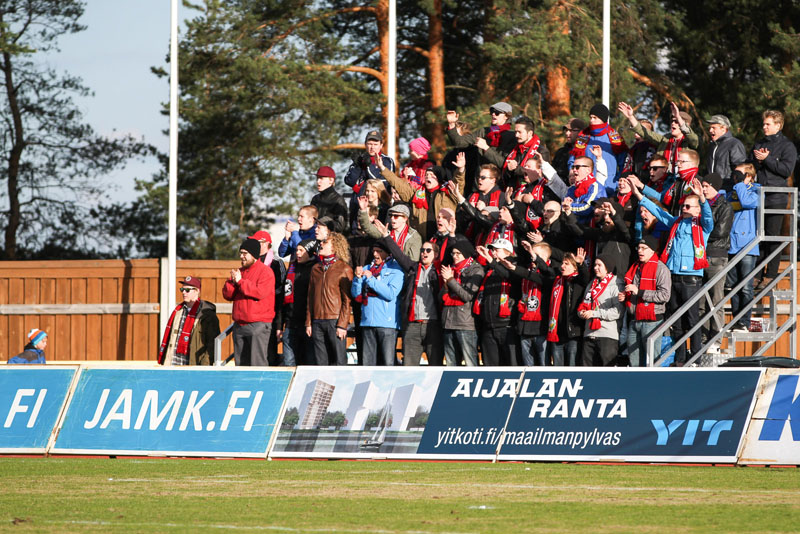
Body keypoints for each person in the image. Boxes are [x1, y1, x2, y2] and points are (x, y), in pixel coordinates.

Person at [632, 176, 713, 366]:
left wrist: (702, 198)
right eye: (683, 206)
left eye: (688, 206)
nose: (683, 208)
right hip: (673, 276)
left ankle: (696, 357)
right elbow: (659, 213)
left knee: (692, 319)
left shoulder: (703, 226)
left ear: (697, 209)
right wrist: (638, 195)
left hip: (691, 278)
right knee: (676, 321)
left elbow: (709, 217)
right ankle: (680, 357)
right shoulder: (675, 223)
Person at [379, 232, 444, 366]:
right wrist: (386, 236)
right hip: (413, 324)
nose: (424, 253)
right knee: (409, 367)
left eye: (428, 250)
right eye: (422, 250)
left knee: (435, 367)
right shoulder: (414, 268)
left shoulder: (439, 271)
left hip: (433, 325)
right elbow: (399, 255)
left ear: (436, 254)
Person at [750, 110, 797, 290]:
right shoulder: (759, 143)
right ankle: (757, 274)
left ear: (778, 125)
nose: (764, 127)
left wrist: (767, 159)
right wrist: (757, 162)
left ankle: (770, 275)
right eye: (763, 124)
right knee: (758, 237)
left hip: (776, 197)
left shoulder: (787, 146)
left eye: (768, 124)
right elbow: (751, 165)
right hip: (758, 196)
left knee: (772, 236)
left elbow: (786, 170)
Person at [375, 151, 465, 241]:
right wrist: (382, 168)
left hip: (445, 238)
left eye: (431, 175)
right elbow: (398, 183)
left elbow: (459, 183)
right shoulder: (417, 193)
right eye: (426, 175)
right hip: (422, 240)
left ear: (439, 178)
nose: (427, 177)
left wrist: (460, 170)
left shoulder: (448, 193)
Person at [222, 238, 276, 366]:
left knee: (257, 364)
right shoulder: (239, 272)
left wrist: (240, 282)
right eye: (240, 253)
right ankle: (244, 386)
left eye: (245, 253)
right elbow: (227, 295)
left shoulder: (265, 272)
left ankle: (260, 387)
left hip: (258, 325)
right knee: (241, 364)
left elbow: (259, 292)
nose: (241, 256)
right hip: (240, 325)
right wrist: (232, 282)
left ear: (254, 254)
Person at [621, 235, 672, 367]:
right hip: (634, 320)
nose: (640, 251)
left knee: (652, 362)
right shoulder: (635, 267)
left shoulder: (661, 269)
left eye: (644, 248)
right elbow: (633, 291)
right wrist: (625, 296)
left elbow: (665, 295)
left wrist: (640, 292)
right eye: (639, 248)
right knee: (634, 363)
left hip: (652, 322)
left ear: (653, 251)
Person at [352, 242, 404, 366]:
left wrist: (371, 280)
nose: (375, 254)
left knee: (387, 363)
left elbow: (391, 293)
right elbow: (356, 295)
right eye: (374, 250)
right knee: (368, 364)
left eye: (379, 251)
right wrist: (357, 279)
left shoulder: (396, 270)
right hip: (367, 321)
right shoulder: (366, 268)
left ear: (388, 252)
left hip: (387, 324)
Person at [306, 232, 354, 365]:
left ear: (334, 247)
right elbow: (310, 297)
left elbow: (347, 300)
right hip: (317, 322)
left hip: (335, 321)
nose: (321, 244)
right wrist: (309, 322)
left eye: (325, 242)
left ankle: (341, 386)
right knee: (321, 363)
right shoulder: (315, 269)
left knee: (339, 362)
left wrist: (343, 325)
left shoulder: (344, 269)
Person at [474, 238, 521, 366]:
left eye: (496, 250)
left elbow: (508, 275)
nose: (493, 253)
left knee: (512, 366)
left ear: (507, 252)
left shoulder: (515, 267)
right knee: (491, 368)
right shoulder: (490, 271)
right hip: (489, 326)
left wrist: (490, 260)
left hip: (507, 326)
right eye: (492, 250)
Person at [698, 173, 733, 345]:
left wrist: (700, 235)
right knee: (701, 301)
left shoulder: (725, 206)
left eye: (707, 186)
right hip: (701, 256)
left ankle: (716, 339)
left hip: (716, 256)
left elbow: (721, 231)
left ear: (715, 187)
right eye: (702, 186)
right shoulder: (699, 204)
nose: (703, 189)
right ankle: (703, 338)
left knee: (716, 299)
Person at [618, 101, 699, 174]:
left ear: (686, 125)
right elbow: (646, 134)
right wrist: (631, 117)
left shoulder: (689, 142)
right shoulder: (665, 139)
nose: (673, 124)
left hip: (681, 180)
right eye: (672, 121)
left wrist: (679, 117)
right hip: (663, 181)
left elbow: (693, 138)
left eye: (676, 121)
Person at [726, 163, 761, 332]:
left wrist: (740, 184)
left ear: (749, 176)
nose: (735, 177)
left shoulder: (757, 191)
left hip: (747, 246)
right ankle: (736, 320)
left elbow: (747, 203)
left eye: (740, 175)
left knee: (746, 287)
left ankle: (744, 322)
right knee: (733, 286)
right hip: (732, 245)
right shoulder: (731, 193)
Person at [157, 276, 220, 366]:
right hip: (174, 363)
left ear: (197, 291)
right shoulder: (178, 311)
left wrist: (204, 365)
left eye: (187, 290)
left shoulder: (207, 315)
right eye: (182, 289)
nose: (183, 292)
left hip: (193, 364)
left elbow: (212, 344)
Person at [440, 238, 484, 366]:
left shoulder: (476, 270)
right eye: (453, 253)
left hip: (465, 323)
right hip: (448, 322)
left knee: (470, 362)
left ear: (465, 253)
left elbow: (466, 296)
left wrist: (450, 280)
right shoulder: (451, 269)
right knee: (451, 363)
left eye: (458, 253)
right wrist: (446, 283)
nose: (454, 256)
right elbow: (441, 297)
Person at [567, 103, 628, 195]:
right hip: (585, 187)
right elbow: (573, 160)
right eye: (590, 117)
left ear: (603, 119)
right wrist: (573, 173)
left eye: (595, 118)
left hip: (608, 187)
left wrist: (615, 184)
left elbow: (623, 163)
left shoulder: (614, 137)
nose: (591, 120)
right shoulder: (583, 136)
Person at [447, 102, 517, 178]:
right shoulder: (483, 131)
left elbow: (504, 163)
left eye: (497, 113)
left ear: (506, 116)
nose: (493, 114)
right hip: (480, 181)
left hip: (500, 183)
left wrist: (486, 148)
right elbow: (459, 142)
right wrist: (451, 124)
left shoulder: (513, 136)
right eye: (492, 112)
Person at [344, 129, 396, 229]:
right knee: (355, 233)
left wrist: (369, 166)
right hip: (358, 203)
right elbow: (349, 181)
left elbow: (382, 182)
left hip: (379, 207)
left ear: (381, 145)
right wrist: (358, 165)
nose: (372, 147)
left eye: (375, 144)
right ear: (365, 145)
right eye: (369, 143)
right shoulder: (361, 159)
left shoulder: (387, 161)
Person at [546, 249, 590, 366]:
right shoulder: (557, 281)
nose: (562, 266)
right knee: (557, 369)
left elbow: (585, 276)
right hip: (557, 333)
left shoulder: (578, 282)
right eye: (562, 263)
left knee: (572, 368)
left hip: (573, 333)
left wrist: (581, 264)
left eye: (566, 264)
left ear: (574, 268)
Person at [578, 253, 623, 366]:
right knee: (587, 372)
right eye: (594, 265)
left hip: (607, 335)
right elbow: (584, 304)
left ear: (607, 267)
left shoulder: (616, 284)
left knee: (607, 373)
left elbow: (617, 312)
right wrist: (582, 312)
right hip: (589, 334)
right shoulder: (591, 284)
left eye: (599, 265)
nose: (595, 268)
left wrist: (594, 313)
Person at [251, 230, 287, 366]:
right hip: (253, 314)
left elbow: (281, 291)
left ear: (266, 244)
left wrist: (279, 322)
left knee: (269, 353)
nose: (253, 245)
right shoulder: (251, 261)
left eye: (257, 242)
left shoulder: (277, 263)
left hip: (270, 314)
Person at [280, 239, 318, 366]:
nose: (297, 253)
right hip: (291, 324)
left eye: (301, 250)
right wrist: (280, 325)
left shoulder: (316, 269)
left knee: (309, 363)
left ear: (310, 252)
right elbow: (283, 298)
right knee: (289, 363)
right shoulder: (292, 268)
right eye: (296, 250)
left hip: (308, 324)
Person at [358, 201, 423, 262]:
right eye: (391, 215)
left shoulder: (414, 236)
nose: (392, 218)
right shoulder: (386, 230)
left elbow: (412, 262)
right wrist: (363, 210)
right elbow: (367, 227)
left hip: (402, 270)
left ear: (405, 218)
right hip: (385, 268)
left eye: (396, 216)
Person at [705, 114, 746, 183]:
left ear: (723, 129)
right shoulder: (712, 145)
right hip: (712, 187)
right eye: (710, 128)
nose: (710, 130)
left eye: (713, 128)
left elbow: (740, 168)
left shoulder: (734, 144)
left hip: (726, 188)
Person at [310, 166, 348, 234]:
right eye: (317, 178)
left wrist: (324, 222)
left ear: (331, 180)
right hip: (314, 237)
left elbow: (340, 226)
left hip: (330, 240)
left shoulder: (338, 200)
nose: (318, 182)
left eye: (321, 178)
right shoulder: (315, 199)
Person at [565, 156, 602, 224]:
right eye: (573, 167)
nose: (574, 170)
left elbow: (587, 208)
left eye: (577, 167)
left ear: (588, 170)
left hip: (588, 228)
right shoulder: (572, 188)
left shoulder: (595, 187)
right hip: (572, 225)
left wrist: (569, 207)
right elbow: (564, 204)